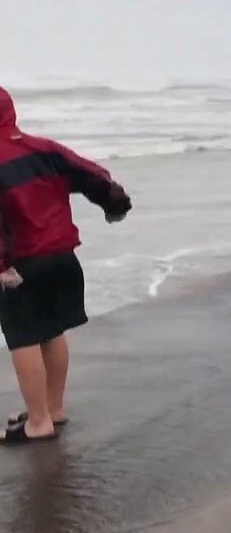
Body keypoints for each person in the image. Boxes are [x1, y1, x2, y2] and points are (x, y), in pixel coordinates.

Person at [0, 86, 131, 444]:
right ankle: (52, 409)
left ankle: (37, 422)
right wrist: (113, 204)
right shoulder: (44, 149)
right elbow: (93, 174)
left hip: (20, 265)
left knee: (23, 336)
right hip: (62, 259)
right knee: (52, 330)